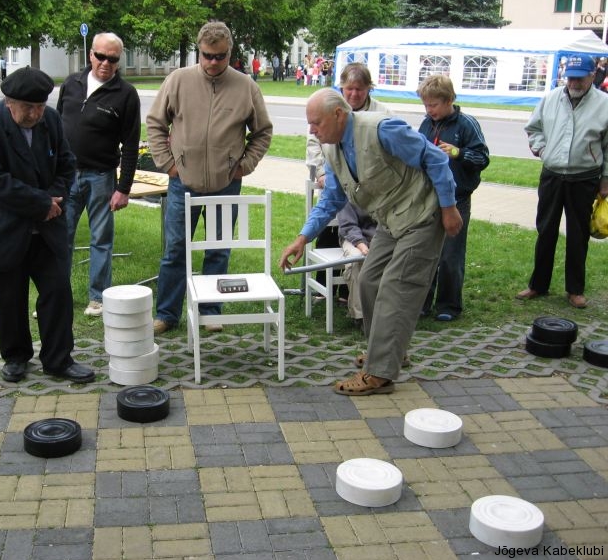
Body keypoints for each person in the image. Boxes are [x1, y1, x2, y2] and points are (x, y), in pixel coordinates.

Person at [279, 88, 462, 396]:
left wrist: (449, 208)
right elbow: (332, 199)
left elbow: (436, 159)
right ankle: (388, 351)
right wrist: (302, 238)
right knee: (369, 280)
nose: (311, 130)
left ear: (338, 114)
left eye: (316, 123)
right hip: (390, 220)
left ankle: (379, 374)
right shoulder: (332, 149)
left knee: (396, 287)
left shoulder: (382, 129)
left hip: (422, 215)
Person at [0, 66, 95, 384]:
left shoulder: (50, 120)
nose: (35, 114)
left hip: (47, 229)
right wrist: (41, 204)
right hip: (4, 227)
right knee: (7, 297)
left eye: (40, 106)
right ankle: (15, 357)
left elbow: (67, 164)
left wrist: (54, 199)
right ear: (9, 102)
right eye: (28, 107)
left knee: (57, 292)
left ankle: (58, 359)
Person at [147, 20, 273, 335]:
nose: (213, 62)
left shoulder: (246, 87)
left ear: (230, 52)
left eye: (220, 56)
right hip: (182, 183)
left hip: (226, 183)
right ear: (199, 51)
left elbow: (262, 132)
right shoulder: (178, 81)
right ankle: (167, 314)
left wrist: (244, 165)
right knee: (176, 249)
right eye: (207, 55)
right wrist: (169, 165)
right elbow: (155, 124)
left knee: (218, 249)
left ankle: (210, 310)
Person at [57, 32, 141, 317]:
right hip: (67, 175)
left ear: (119, 60)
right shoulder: (71, 83)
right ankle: (56, 296)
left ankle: (98, 297)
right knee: (60, 237)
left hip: (102, 177)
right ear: (91, 54)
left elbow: (131, 145)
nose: (106, 63)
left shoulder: (126, 94)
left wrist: (124, 188)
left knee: (101, 239)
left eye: (112, 59)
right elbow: (55, 129)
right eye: (101, 56)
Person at [516, 55, 608, 309]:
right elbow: (533, 128)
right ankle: (538, 285)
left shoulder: (604, 104)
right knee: (546, 230)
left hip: (584, 177)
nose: (573, 82)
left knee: (578, 235)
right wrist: (542, 150)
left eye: (579, 78)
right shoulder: (551, 98)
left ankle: (575, 290)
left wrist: (605, 180)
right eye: (570, 77)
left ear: (592, 76)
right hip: (552, 175)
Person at [304, 62, 392, 299]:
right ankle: (325, 287)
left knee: (366, 232)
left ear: (369, 89)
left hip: (370, 191)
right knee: (330, 231)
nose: (354, 94)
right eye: (349, 89)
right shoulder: (327, 108)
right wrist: (322, 173)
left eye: (359, 89)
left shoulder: (381, 114)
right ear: (342, 88)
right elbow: (314, 144)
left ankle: (351, 291)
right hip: (336, 182)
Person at [417, 74, 490, 321]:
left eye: (434, 105)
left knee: (451, 254)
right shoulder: (426, 124)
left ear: (449, 100)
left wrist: (458, 153)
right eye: (426, 105)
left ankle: (448, 305)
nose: (429, 110)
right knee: (425, 252)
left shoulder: (466, 125)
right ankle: (422, 302)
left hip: (458, 199)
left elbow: (483, 159)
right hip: (430, 197)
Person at [336, 201, 376, 324]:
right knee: (356, 259)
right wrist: (361, 245)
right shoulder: (347, 193)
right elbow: (348, 226)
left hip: (381, 236)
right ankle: (360, 316)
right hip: (352, 237)